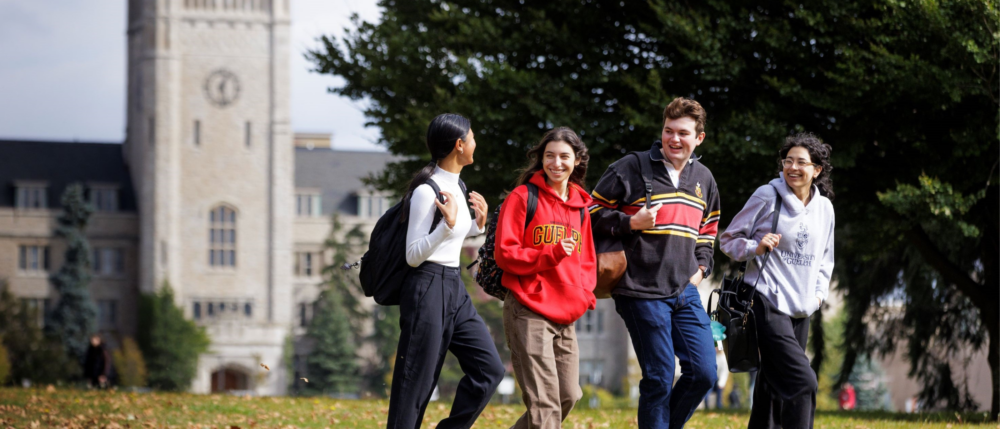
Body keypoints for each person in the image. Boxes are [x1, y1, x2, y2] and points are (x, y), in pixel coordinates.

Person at [590, 97, 721, 429]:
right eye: (668, 131)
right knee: (660, 377)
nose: (674, 139)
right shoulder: (631, 167)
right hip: (639, 289)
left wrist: (702, 268)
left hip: (684, 289)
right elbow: (588, 213)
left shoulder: (704, 178)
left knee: (704, 373)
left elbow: (708, 229)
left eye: (683, 133)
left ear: (699, 138)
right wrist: (630, 223)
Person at [387, 113, 505, 429]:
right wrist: (449, 225)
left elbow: (451, 238)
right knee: (415, 384)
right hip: (426, 286)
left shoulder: (459, 185)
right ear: (459, 144)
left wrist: (477, 226)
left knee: (489, 370)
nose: (476, 142)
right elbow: (413, 255)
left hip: (454, 286)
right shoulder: (427, 191)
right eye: (473, 137)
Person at [719, 133, 835, 429]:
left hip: (801, 308)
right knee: (803, 382)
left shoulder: (825, 209)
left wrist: (818, 296)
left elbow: (826, 259)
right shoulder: (767, 196)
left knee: (771, 390)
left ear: (817, 170)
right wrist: (754, 248)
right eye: (788, 160)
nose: (793, 167)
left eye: (801, 162)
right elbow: (728, 239)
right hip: (766, 302)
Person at [495, 127, 597, 429]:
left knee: (568, 395)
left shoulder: (581, 208)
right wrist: (549, 255)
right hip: (528, 308)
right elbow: (505, 253)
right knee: (544, 403)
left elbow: (587, 260)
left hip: (566, 314)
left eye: (564, 156)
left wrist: (584, 295)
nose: (556, 163)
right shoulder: (522, 197)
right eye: (549, 156)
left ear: (577, 160)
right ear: (540, 159)